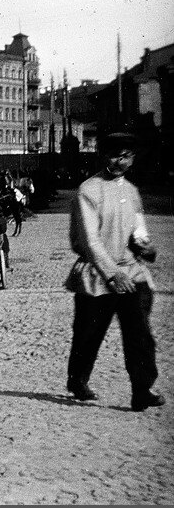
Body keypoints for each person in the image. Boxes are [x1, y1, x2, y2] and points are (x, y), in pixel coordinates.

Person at [65, 132, 163, 411]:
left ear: (133, 159)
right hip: (97, 274)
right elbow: (89, 239)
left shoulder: (131, 191)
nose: (120, 161)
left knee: (140, 334)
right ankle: (78, 380)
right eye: (114, 155)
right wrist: (110, 273)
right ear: (101, 155)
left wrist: (145, 247)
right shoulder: (89, 190)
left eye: (126, 156)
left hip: (131, 271)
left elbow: (138, 230)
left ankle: (142, 390)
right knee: (88, 334)